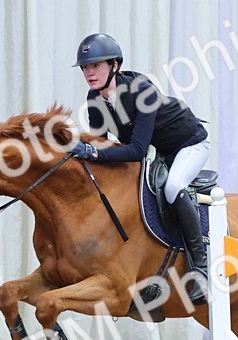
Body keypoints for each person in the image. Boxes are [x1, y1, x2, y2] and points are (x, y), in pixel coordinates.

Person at [70, 33, 212, 305]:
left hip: (190, 143)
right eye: (86, 68)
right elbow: (102, 142)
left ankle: (201, 268)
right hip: (159, 149)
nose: (89, 72)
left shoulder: (141, 90)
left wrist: (93, 152)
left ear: (114, 65)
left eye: (95, 66)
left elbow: (135, 151)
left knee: (173, 186)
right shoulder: (94, 97)